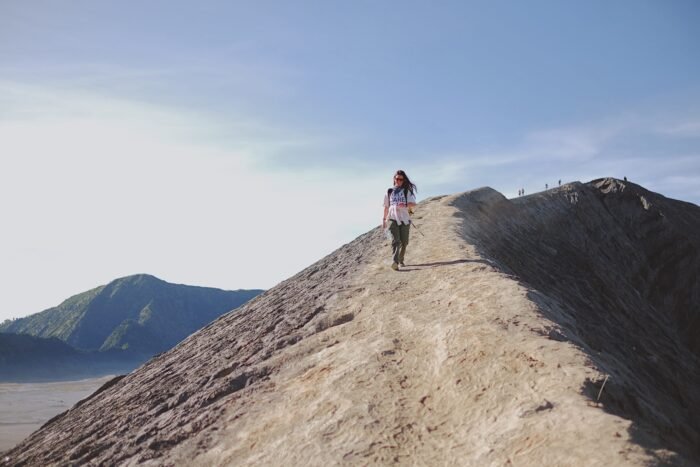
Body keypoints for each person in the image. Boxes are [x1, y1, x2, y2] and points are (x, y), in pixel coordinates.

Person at [382, 170, 417, 270]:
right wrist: (384, 220)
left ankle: (401, 260)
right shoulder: (389, 192)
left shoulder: (407, 191)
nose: (398, 181)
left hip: (405, 218)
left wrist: (405, 205)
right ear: (394, 179)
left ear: (403, 180)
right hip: (392, 218)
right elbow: (386, 207)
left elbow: (413, 204)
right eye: (397, 179)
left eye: (401, 179)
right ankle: (395, 262)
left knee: (404, 242)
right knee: (395, 241)